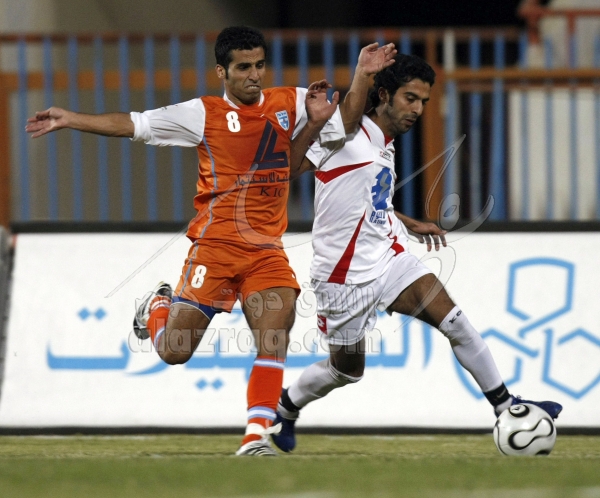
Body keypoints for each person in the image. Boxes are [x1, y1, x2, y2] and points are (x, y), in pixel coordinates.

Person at [25, 26, 397, 456]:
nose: (254, 75)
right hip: (215, 248)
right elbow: (134, 124)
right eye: (243, 68)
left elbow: (343, 124)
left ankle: (255, 436)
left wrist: (361, 76)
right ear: (222, 71)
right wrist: (71, 119)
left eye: (259, 65)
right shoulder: (202, 113)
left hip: (265, 251)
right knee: (174, 351)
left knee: (275, 332)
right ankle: (158, 308)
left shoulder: (289, 102)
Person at [271, 54, 563, 453]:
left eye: (423, 101)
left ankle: (506, 406)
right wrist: (356, 79)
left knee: (455, 321)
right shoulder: (346, 134)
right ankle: (286, 407)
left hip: (388, 256)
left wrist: (407, 222)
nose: (418, 109)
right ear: (384, 95)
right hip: (343, 277)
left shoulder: (385, 144)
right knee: (346, 371)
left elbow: (368, 199)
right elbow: (289, 168)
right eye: (410, 98)